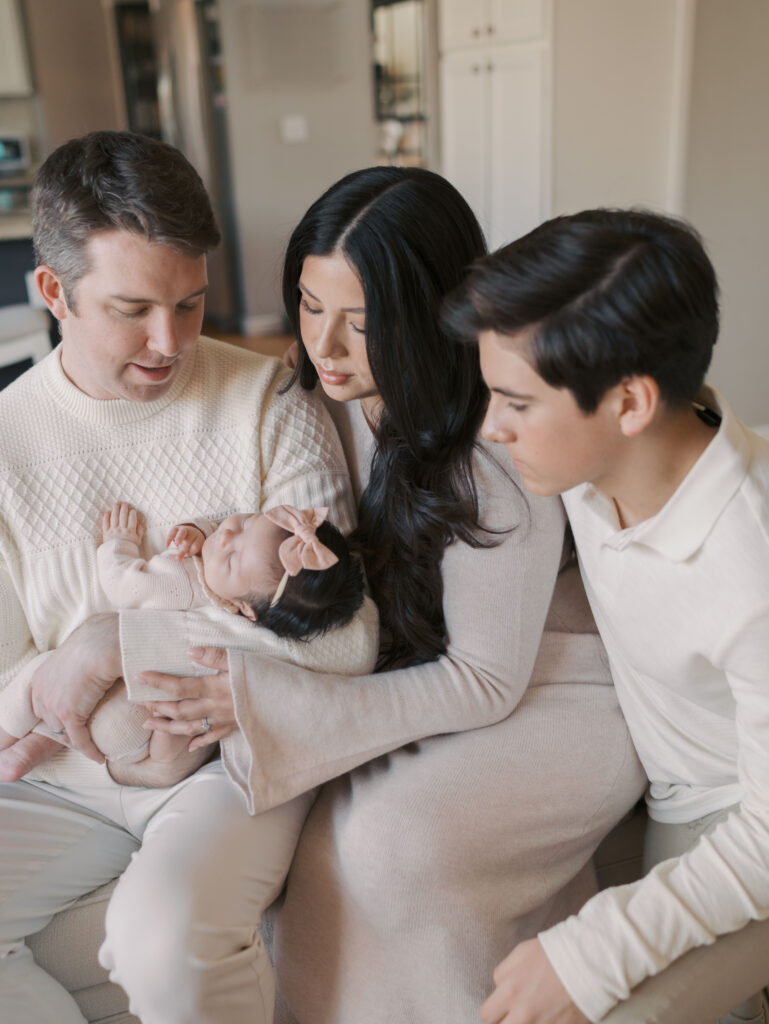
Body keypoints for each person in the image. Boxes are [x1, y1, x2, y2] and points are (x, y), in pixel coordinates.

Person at [75, 166, 643, 1023]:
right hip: (405, 664)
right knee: (330, 833)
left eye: (361, 323)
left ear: (431, 317)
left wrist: (274, 702)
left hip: (547, 677)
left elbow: (484, 679)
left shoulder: (490, 450)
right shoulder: (314, 400)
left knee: (384, 843)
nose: (323, 347)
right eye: (308, 305)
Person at [0, 130, 375, 1024]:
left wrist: (113, 644)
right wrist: (99, 658)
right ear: (54, 292)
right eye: (132, 309)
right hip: (65, 776)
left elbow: (348, 635)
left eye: (191, 303)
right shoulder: (6, 444)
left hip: (229, 768)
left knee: (163, 942)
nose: (168, 342)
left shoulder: (267, 401)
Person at [443, 207, 769, 1024]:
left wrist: (593, 949)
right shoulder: (587, 465)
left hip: (735, 817)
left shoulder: (750, 565)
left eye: (514, 402)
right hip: (661, 780)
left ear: (628, 403)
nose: (491, 426)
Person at [0, 500, 366, 786]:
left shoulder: (180, 580)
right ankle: (31, 749)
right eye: (242, 523)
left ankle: (6, 733)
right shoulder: (251, 621)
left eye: (232, 557)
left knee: (47, 671)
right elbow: (224, 542)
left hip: (126, 710)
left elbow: (127, 587)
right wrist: (198, 531)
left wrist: (118, 543)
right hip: (153, 736)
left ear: (244, 608)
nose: (224, 536)